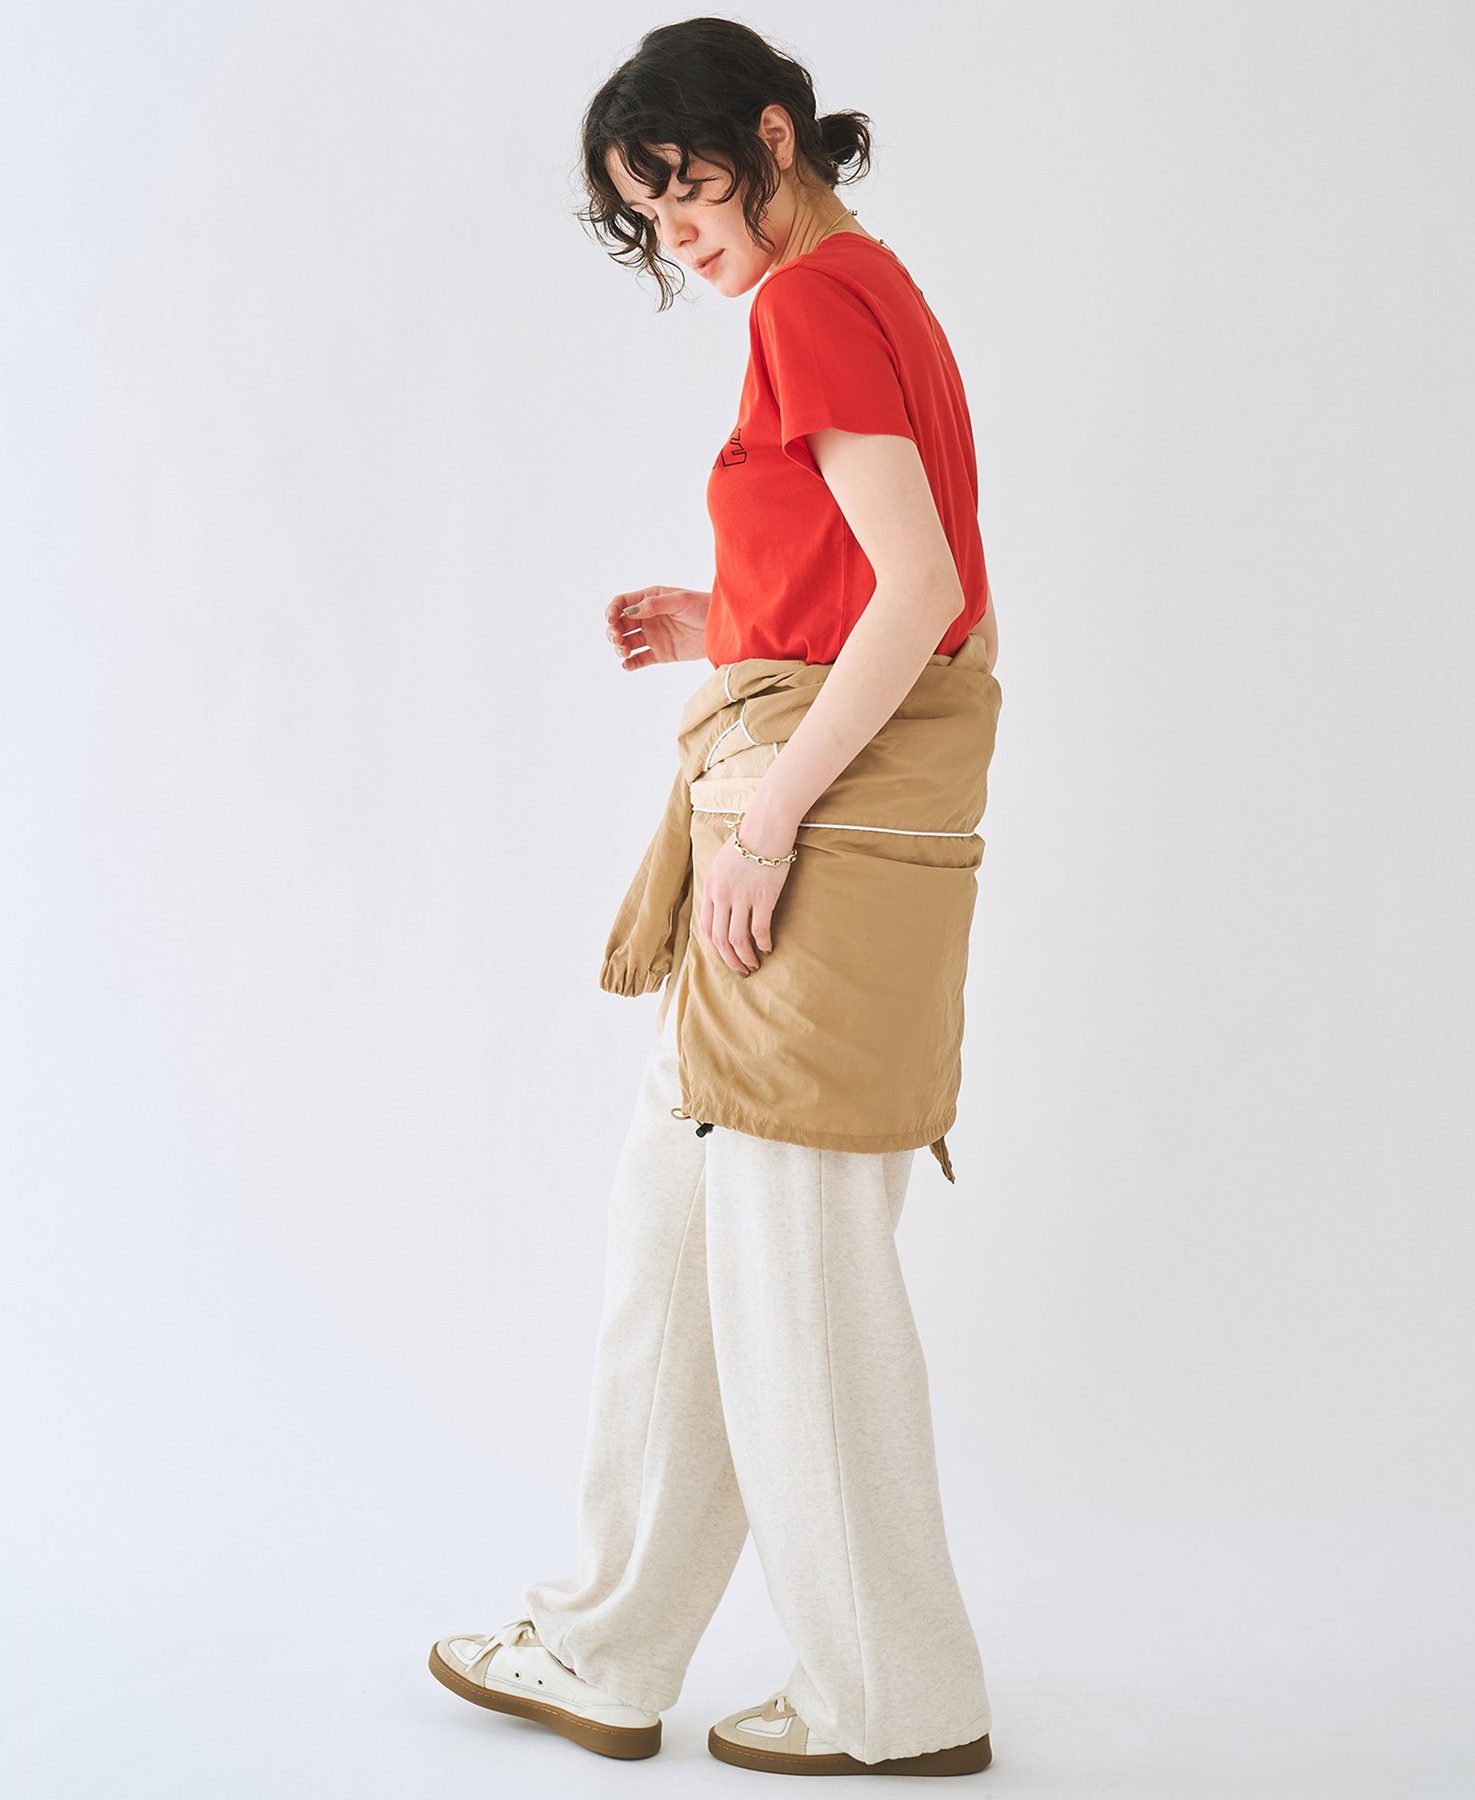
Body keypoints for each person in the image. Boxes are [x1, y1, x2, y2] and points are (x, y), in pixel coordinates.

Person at [428, 17, 1002, 1779]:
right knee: (677, 1250)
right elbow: (875, 581)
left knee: (795, 1275)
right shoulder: (865, 288)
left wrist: (767, 830)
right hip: (803, 808)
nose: (676, 235)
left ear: (771, 135)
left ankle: (894, 1700)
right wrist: (728, 623)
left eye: (684, 192)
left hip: (810, 836)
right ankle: (605, 1645)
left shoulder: (813, 301)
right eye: (647, 215)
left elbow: (925, 593)